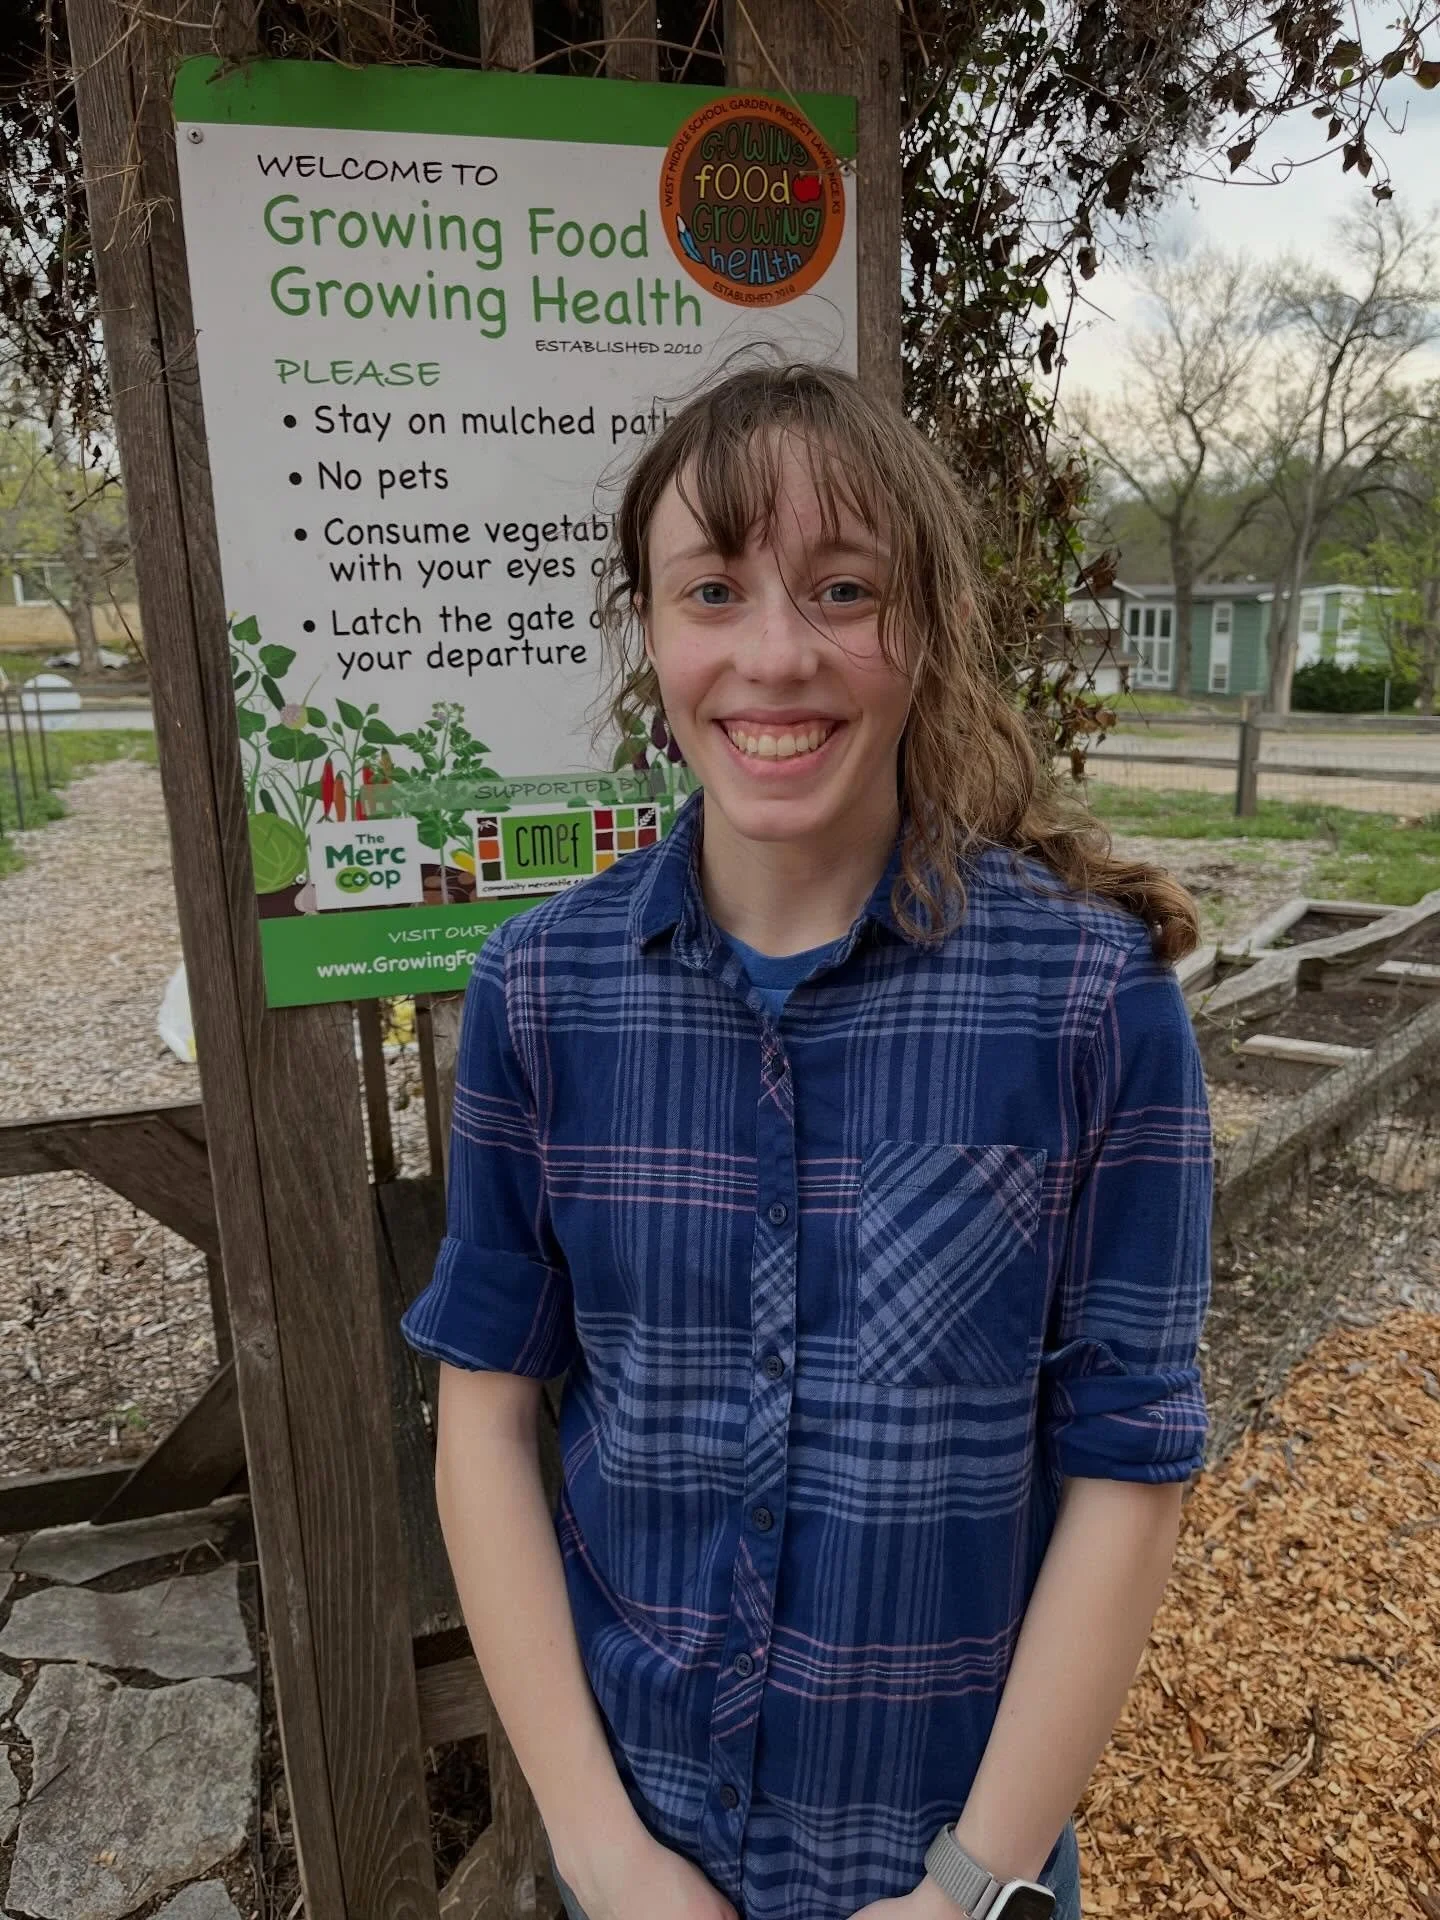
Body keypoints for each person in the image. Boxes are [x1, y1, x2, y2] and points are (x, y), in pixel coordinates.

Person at [399, 363, 1213, 1920]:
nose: (776, 656)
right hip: (637, 1854)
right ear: (650, 630)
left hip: (942, 1868)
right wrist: (600, 1849)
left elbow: (1131, 1471)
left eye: (845, 589)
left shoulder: (1091, 1007)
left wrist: (972, 1886)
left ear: (931, 630)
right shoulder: (541, 994)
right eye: (715, 590)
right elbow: (486, 1424)